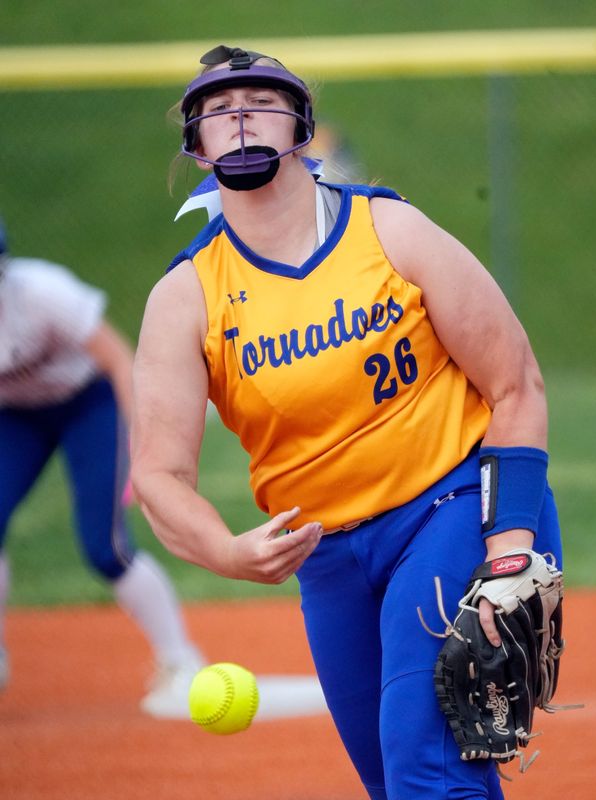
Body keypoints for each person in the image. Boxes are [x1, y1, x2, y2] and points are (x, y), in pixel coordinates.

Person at [131, 45, 562, 800]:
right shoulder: (187, 295)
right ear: (195, 149)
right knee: (394, 778)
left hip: (449, 508)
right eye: (216, 111)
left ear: (301, 126)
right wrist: (228, 553)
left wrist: (509, 547)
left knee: (423, 763)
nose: (238, 118)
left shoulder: (388, 230)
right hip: (327, 559)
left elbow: (515, 383)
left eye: (261, 101)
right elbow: (160, 476)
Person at [0, 217, 204, 716]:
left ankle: (182, 660)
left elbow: (117, 357)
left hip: (87, 402)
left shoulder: (40, 293)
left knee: (104, 545)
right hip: (15, 417)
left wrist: (144, 441)